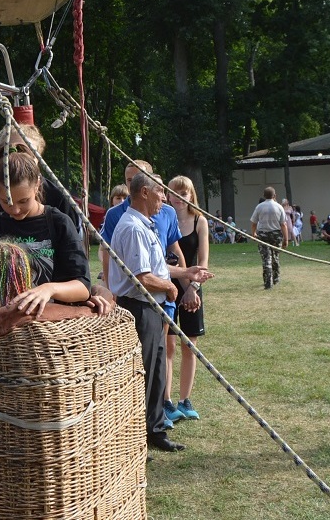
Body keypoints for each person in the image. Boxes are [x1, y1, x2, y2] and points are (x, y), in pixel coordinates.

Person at [109, 173, 212, 452]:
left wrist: (186, 272)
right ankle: (136, 440)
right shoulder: (133, 228)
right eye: (160, 192)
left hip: (150, 308)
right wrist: (169, 287)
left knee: (155, 375)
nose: (165, 199)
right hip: (139, 308)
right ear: (144, 193)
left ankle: (155, 432)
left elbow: (157, 268)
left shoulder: (147, 225)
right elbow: (142, 277)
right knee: (143, 375)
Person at [0, 151, 101, 317]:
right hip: (4, 327)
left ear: (37, 184)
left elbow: (83, 287)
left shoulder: (59, 223)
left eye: (24, 201)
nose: (16, 210)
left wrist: (49, 289)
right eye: (6, 202)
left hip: (48, 326)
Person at [0, 122, 82, 244]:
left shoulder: (59, 199)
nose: (18, 159)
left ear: (37, 159)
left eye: (25, 152)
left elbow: (73, 249)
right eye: (10, 152)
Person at [163, 176, 208, 422]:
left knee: (189, 345)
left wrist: (193, 288)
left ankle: (185, 399)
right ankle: (167, 401)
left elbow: (203, 262)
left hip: (193, 288)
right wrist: (183, 285)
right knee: (168, 345)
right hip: (168, 286)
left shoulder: (200, 221)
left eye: (184, 192)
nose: (179, 197)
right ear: (168, 195)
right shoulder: (164, 218)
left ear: (191, 195)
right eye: (174, 192)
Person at [99, 160, 184, 290]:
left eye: (137, 178)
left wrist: (187, 286)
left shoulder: (168, 212)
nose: (133, 184)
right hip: (136, 294)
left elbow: (175, 249)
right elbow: (108, 253)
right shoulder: (116, 215)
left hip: (164, 288)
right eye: (129, 180)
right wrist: (110, 290)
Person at [250, 187, 288, 289]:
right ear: (274, 196)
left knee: (266, 258)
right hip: (276, 235)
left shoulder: (259, 207)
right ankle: (276, 279)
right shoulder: (279, 207)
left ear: (264, 196)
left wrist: (253, 233)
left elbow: (253, 222)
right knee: (275, 257)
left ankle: (268, 283)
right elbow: (283, 224)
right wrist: (286, 239)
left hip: (262, 235)